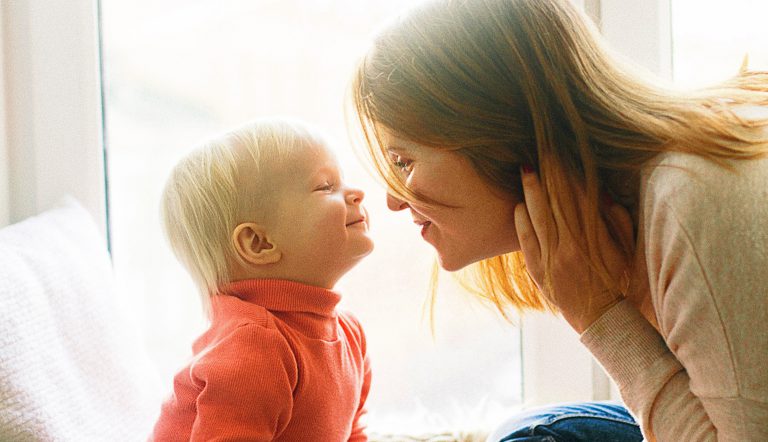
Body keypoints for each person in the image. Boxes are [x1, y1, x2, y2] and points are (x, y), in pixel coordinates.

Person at [349, 0, 768, 440]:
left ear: (498, 134)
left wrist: (602, 316)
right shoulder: (645, 207)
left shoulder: (690, 200)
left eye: (402, 161)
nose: (394, 201)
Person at [150, 118, 374, 441]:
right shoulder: (254, 348)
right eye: (326, 186)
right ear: (259, 244)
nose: (356, 193)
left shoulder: (350, 334)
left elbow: (353, 432)